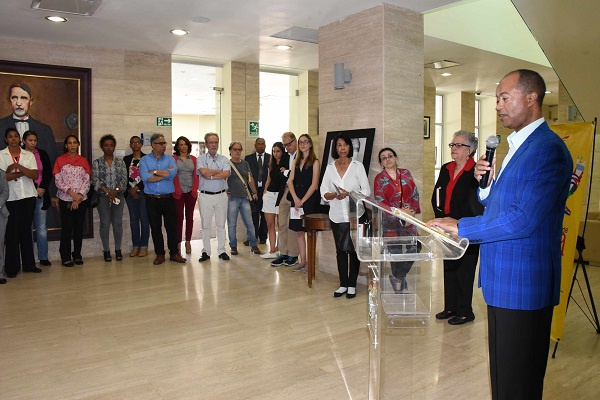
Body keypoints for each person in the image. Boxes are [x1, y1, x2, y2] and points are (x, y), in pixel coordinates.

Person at [427, 69, 572, 400]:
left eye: (505, 98)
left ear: (531, 98)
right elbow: (503, 205)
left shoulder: (546, 149)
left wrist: (461, 225)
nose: (498, 106)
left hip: (524, 283)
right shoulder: (518, 146)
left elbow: (523, 219)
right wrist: (487, 185)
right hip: (503, 281)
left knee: (518, 382)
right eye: (497, 99)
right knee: (505, 378)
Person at [431, 131, 484, 325]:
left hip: (467, 227)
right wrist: (441, 220)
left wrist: (458, 222)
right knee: (450, 266)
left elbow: (477, 203)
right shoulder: (446, 168)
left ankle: (465, 311)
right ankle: (450, 307)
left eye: (458, 145)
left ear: (470, 150)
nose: (453, 148)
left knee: (465, 269)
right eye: (452, 145)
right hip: (446, 226)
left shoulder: (476, 171)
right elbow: (436, 194)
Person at [320, 133, 370, 298]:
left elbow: (366, 191)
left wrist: (350, 194)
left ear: (349, 147)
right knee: (341, 249)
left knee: (354, 250)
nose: (342, 148)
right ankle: (343, 284)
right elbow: (323, 190)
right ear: (336, 148)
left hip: (355, 214)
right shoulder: (329, 167)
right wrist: (334, 195)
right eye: (339, 145)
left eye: (345, 145)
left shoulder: (357, 166)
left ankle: (352, 285)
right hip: (336, 214)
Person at [373, 147, 421, 293]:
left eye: (390, 156)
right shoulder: (379, 179)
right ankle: (399, 284)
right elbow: (380, 201)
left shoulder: (405, 173)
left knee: (416, 247)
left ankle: (398, 278)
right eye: (384, 158)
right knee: (396, 252)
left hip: (408, 219)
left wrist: (411, 212)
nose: (387, 159)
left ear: (396, 158)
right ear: (381, 162)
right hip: (391, 222)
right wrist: (399, 214)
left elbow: (414, 193)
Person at [140, 133, 187, 265]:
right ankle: (159, 254)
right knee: (155, 228)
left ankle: (174, 253)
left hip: (168, 199)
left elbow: (172, 174)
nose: (164, 146)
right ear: (153, 145)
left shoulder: (170, 159)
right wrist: (164, 174)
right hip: (151, 199)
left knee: (172, 227)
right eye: (161, 143)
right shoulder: (144, 160)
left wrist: (154, 172)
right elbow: (145, 178)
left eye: (165, 143)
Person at [0, 128, 40, 277]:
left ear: (19, 139)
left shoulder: (28, 155)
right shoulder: (1, 155)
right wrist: (24, 172)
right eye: (10, 137)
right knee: (12, 234)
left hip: (28, 197)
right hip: (10, 199)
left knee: (26, 232)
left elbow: (34, 174)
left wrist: (18, 167)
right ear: (6, 139)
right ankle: (11, 268)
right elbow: (3, 177)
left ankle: (29, 264)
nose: (13, 139)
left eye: (16, 136)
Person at [53, 135, 90, 267]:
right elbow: (58, 181)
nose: (72, 145)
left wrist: (79, 196)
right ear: (66, 146)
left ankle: (77, 255)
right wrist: (72, 194)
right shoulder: (60, 160)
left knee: (78, 228)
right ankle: (66, 256)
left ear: (78, 145)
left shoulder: (83, 161)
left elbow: (87, 181)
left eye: (75, 143)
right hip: (65, 199)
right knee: (67, 229)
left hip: (81, 200)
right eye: (69, 143)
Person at [0, 83, 58, 165]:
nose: (19, 103)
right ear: (10, 100)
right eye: (14, 98)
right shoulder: (1, 126)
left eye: (23, 98)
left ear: (31, 102)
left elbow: (51, 161)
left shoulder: (45, 130)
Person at [287, 134, 321, 273]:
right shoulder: (296, 161)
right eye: (300, 142)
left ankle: (311, 263)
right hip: (296, 199)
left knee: (310, 232)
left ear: (310, 144)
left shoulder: (315, 162)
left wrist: (303, 200)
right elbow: (290, 181)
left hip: (310, 200)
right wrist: (295, 198)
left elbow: (314, 184)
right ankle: (303, 261)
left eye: (305, 142)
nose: (303, 144)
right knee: (299, 232)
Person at [92, 134, 127, 262]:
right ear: (102, 147)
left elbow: (124, 179)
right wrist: (107, 192)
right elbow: (95, 180)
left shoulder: (120, 162)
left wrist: (115, 191)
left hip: (118, 196)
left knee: (117, 224)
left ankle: (118, 250)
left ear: (114, 147)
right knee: (105, 224)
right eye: (106, 145)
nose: (108, 147)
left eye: (111, 145)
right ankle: (106, 250)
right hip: (103, 197)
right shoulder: (97, 163)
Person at [196, 132, 231, 262]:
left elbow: (226, 174)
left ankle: (222, 250)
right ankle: (206, 252)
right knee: (205, 225)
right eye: (211, 142)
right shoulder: (200, 159)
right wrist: (218, 172)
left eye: (216, 142)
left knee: (221, 225)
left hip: (221, 195)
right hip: (205, 196)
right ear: (206, 144)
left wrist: (211, 175)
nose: (214, 145)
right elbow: (203, 172)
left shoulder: (224, 159)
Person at [22, 130, 52, 266]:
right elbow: (22, 175)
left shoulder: (42, 154)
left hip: (41, 194)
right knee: (26, 228)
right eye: (30, 140)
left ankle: (43, 257)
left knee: (41, 228)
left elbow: (47, 174)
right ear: (24, 141)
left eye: (35, 140)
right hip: (25, 196)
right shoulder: (20, 155)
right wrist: (34, 189)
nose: (33, 143)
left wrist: (41, 190)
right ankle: (28, 260)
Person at [270, 132, 300, 267]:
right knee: (281, 223)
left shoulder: (302, 155)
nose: (286, 148)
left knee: (292, 224)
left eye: (288, 144)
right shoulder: (285, 157)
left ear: (295, 141)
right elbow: (277, 173)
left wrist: (287, 172)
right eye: (285, 145)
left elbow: (301, 174)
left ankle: (293, 254)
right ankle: (283, 252)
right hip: (285, 192)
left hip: (296, 192)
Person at [227, 141, 261, 255]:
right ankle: (233, 246)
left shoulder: (245, 164)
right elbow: (223, 179)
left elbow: (249, 179)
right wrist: (225, 191)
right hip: (232, 199)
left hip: (245, 197)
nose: (237, 151)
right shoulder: (227, 164)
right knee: (232, 224)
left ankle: (253, 244)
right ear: (230, 151)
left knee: (250, 223)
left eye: (239, 149)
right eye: (235, 149)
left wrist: (254, 192)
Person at [260, 142, 289, 259]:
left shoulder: (287, 163)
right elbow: (269, 178)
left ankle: (279, 248)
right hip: (269, 195)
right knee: (270, 224)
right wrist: (265, 192)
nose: (275, 153)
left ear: (282, 152)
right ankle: (272, 250)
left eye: (278, 151)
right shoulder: (271, 163)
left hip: (281, 195)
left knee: (280, 224)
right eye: (274, 151)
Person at [123, 135, 149, 257]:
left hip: (143, 192)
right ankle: (135, 246)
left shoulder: (146, 159)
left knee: (144, 219)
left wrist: (137, 188)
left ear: (141, 144)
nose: (135, 145)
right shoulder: (126, 159)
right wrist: (130, 191)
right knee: (133, 221)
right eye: (133, 143)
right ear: (130, 145)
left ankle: (144, 246)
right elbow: (124, 177)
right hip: (130, 194)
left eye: (137, 142)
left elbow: (147, 177)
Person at [173, 136, 199, 255]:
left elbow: (196, 176)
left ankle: (188, 241)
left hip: (191, 192)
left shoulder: (194, 159)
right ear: (178, 147)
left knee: (189, 217)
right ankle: (178, 242)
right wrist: (177, 190)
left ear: (188, 146)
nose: (183, 146)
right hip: (178, 193)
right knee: (178, 218)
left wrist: (194, 190)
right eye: (181, 145)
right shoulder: (173, 159)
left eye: (185, 144)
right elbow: (173, 176)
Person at [245, 137, 270, 245]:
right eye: (258, 144)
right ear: (255, 145)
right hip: (253, 190)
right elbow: (247, 175)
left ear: (265, 145)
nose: (260, 145)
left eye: (262, 144)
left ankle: (263, 236)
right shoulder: (248, 158)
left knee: (265, 214)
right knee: (253, 214)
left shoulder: (270, 157)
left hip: (266, 190)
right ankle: (252, 237)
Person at [0, 169, 9, 284]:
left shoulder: (1, 173)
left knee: (0, 243)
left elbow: (5, 191)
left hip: (1, 213)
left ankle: (0, 273)